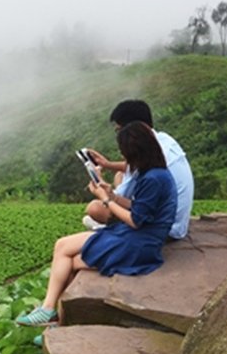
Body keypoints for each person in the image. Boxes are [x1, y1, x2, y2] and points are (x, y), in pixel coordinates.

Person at [16, 121, 178, 327]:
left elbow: (136, 220)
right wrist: (113, 195)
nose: (123, 157)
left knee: (66, 254)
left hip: (138, 243)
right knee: (65, 251)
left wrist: (106, 199)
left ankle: (50, 311)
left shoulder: (153, 178)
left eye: (125, 152)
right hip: (137, 236)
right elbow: (140, 208)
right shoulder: (155, 173)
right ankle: (55, 317)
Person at [83, 100, 194, 240]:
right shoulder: (163, 140)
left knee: (95, 208)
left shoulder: (147, 163)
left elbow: (116, 198)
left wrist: (100, 184)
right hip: (178, 222)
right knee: (119, 175)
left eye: (119, 130)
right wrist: (107, 164)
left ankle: (113, 230)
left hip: (164, 229)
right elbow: (134, 168)